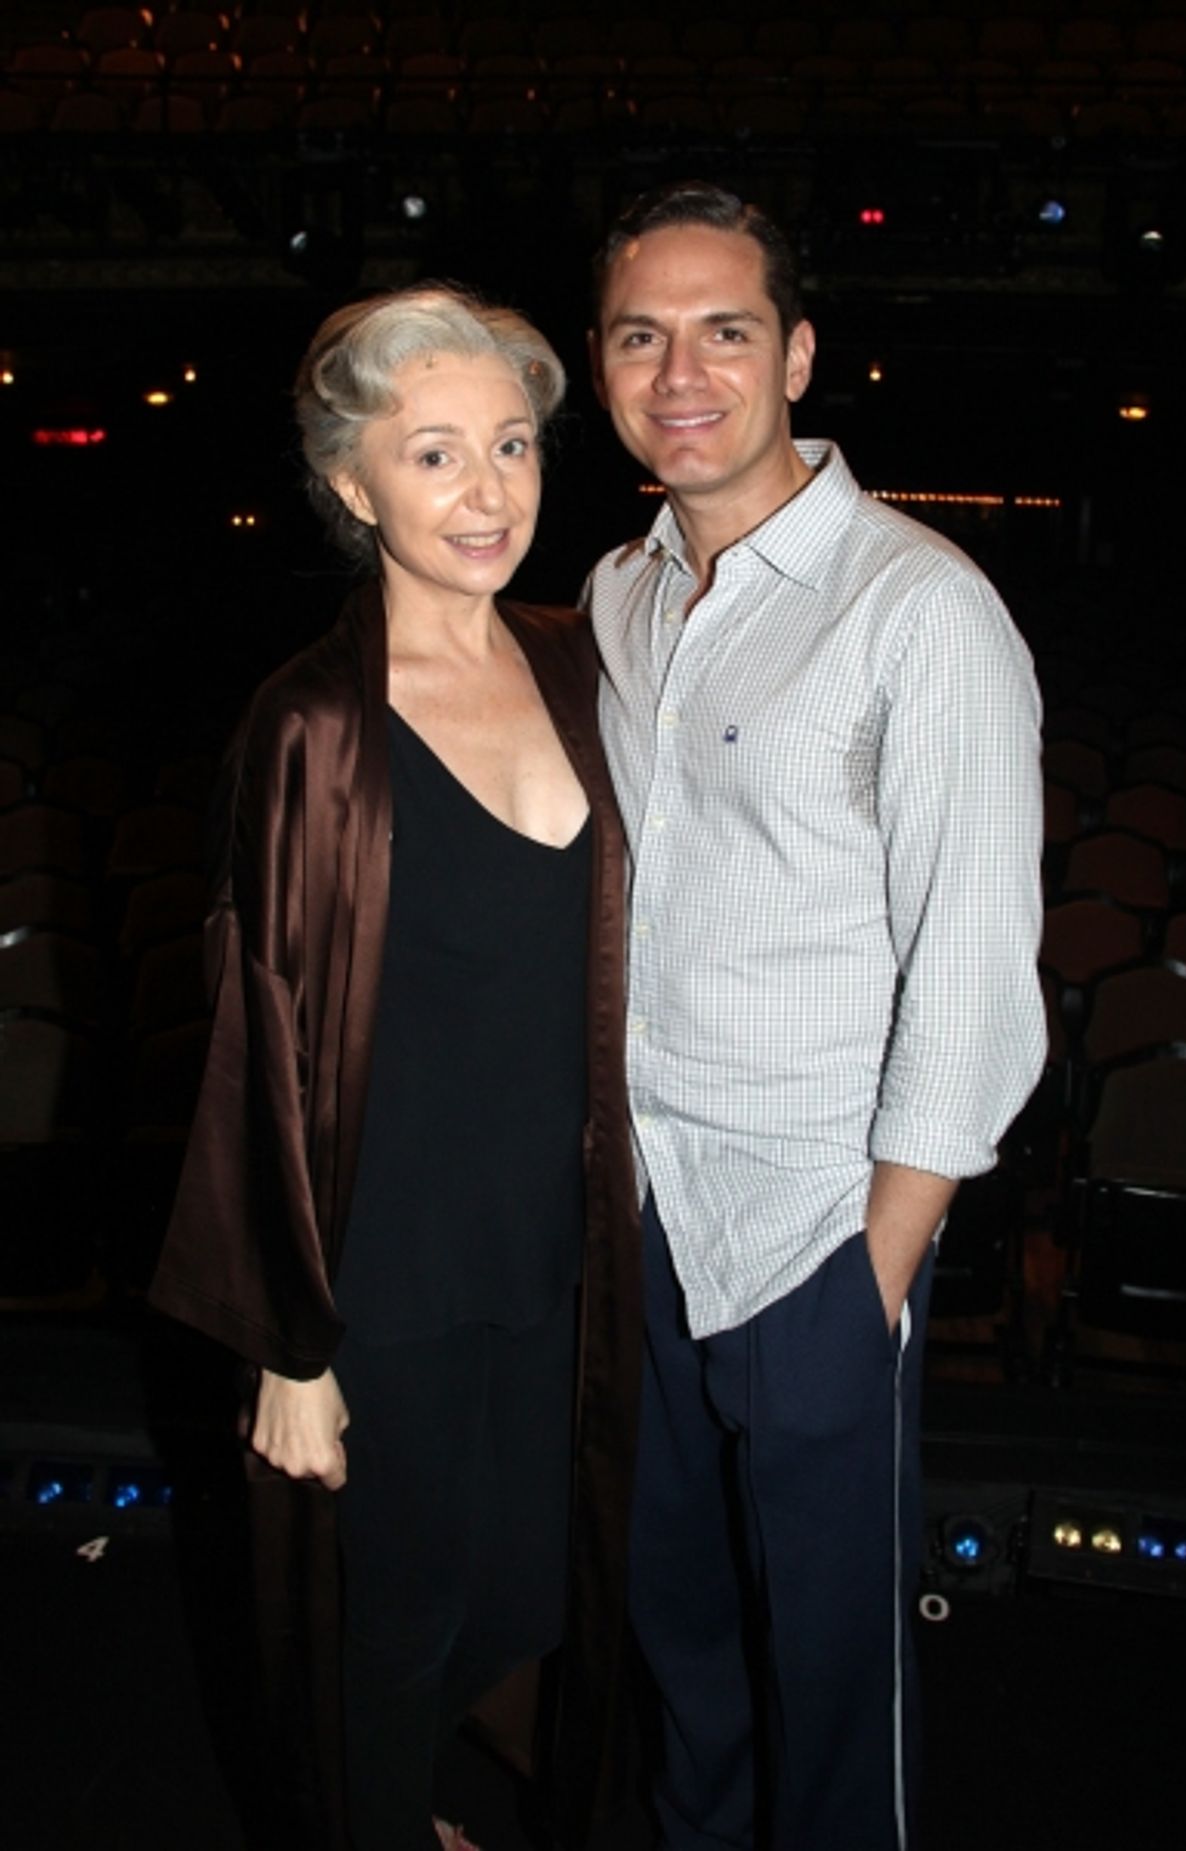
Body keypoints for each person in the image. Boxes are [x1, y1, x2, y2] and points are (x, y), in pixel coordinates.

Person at [585, 181, 1046, 1850]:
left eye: (724, 330)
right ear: (602, 364)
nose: (680, 374)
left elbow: (975, 973)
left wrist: (876, 1275)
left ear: (795, 356)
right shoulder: (623, 595)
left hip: (813, 1238)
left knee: (835, 1689)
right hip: (649, 1215)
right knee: (681, 1642)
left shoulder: (918, 606)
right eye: (640, 336)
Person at [149, 285, 640, 1851]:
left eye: (512, 445)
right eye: (435, 454)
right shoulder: (313, 727)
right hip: (387, 1274)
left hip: (563, 1261)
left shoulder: (581, 666)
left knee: (530, 1596)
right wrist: (288, 1347)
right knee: (393, 1621)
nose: (488, 491)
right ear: (352, 486)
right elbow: (258, 1039)